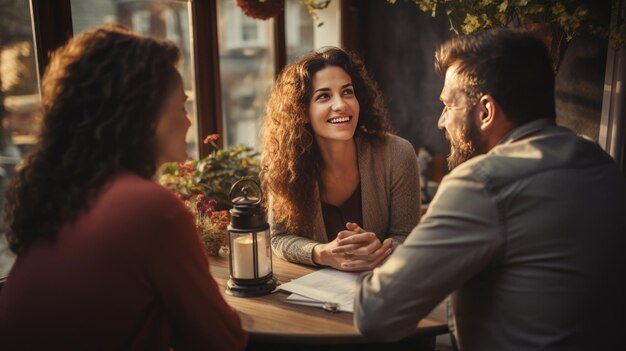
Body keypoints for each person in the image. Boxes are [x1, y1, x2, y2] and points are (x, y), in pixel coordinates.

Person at [354, 28, 626, 350]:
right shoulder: (602, 165)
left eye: (448, 106)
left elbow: (375, 314)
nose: (441, 122)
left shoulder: (481, 182)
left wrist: (366, 266)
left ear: (485, 112)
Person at [0, 25, 247, 351]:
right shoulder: (148, 207)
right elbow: (223, 341)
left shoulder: (66, 196)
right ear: (147, 117)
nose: (189, 121)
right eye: (182, 106)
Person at [261, 47, 420, 271]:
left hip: (382, 290)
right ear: (302, 112)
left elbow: (407, 236)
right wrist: (321, 253)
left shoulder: (398, 154)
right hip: (312, 294)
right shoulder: (285, 164)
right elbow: (278, 237)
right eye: (324, 96)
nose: (341, 105)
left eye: (347, 92)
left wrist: (379, 250)